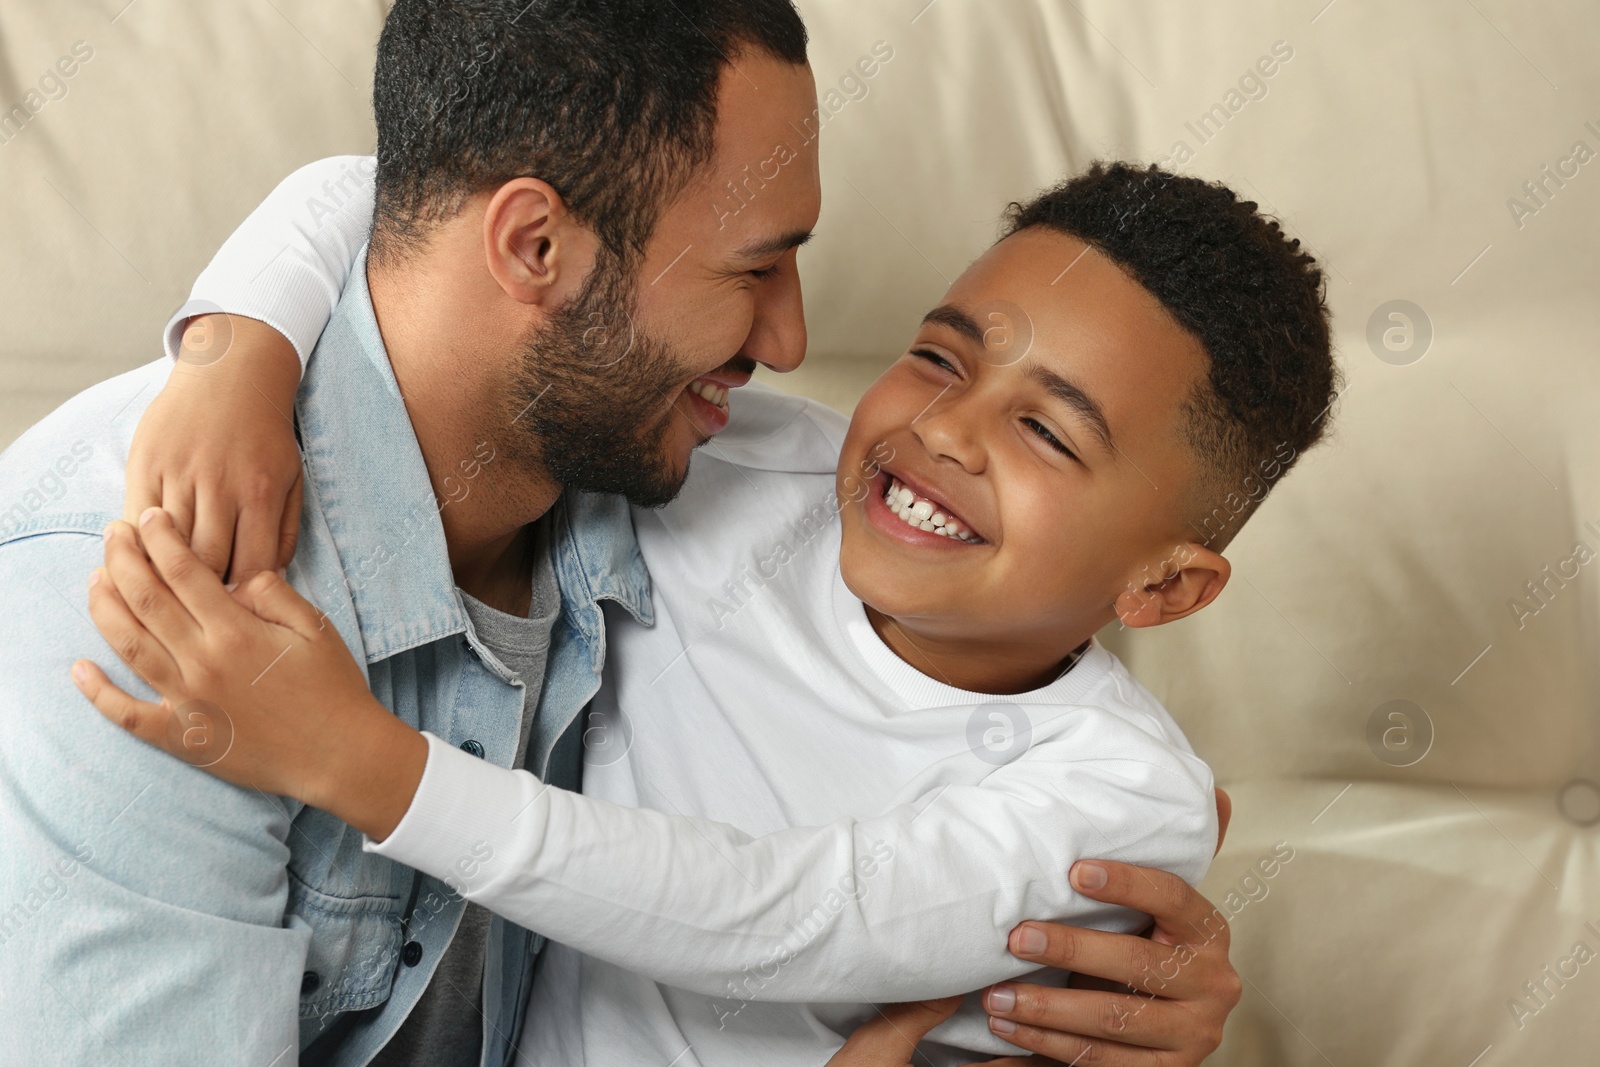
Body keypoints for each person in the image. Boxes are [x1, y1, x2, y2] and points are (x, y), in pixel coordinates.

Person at [0, 1, 1241, 1064]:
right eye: (755, 267)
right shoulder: (155, 600)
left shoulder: (662, 467)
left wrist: (1096, 976)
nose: (793, 344)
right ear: (533, 246)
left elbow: (384, 193)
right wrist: (228, 350)